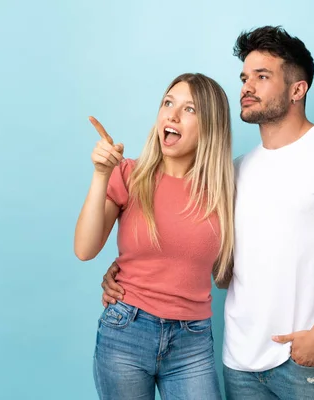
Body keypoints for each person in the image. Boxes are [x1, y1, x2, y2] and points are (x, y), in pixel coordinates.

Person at [101, 26, 314, 399]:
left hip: (305, 360)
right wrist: (124, 275)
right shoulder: (232, 172)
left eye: (262, 76)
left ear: (297, 90)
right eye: (244, 77)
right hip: (239, 362)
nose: (246, 87)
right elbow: (212, 263)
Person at [74, 73, 235, 399]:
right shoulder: (130, 174)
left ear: (210, 126)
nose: (172, 115)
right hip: (126, 330)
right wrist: (101, 175)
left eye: (189, 109)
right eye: (168, 103)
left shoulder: (223, 192)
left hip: (192, 340)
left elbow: (228, 272)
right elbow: (84, 249)